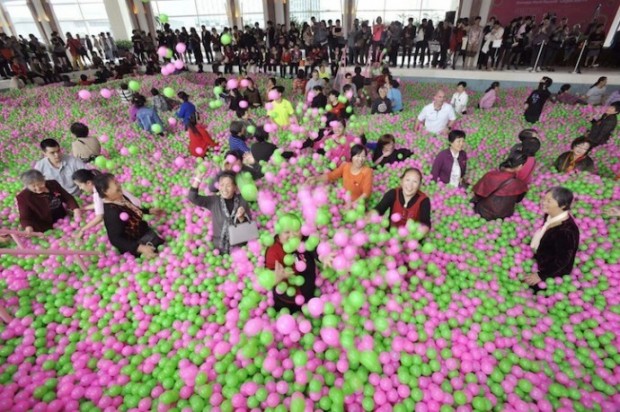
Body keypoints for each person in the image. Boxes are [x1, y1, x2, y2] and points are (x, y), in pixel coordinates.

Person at [94, 173, 164, 258]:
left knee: (161, 244)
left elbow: (131, 209)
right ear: (105, 191)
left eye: (117, 181)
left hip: (143, 231)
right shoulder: (112, 213)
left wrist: (148, 211)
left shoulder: (119, 197)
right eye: (115, 183)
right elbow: (115, 239)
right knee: (159, 252)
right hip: (135, 242)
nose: (119, 184)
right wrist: (140, 248)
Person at [524, 187, 579, 290]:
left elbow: (563, 260)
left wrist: (541, 275)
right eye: (544, 199)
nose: (543, 203)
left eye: (549, 201)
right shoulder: (550, 215)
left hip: (554, 269)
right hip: (543, 256)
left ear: (563, 206)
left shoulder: (566, 231)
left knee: (533, 287)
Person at [264, 213, 322, 313]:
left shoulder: (304, 240)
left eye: (296, 230)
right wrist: (276, 278)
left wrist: (323, 256)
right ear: (279, 233)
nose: (292, 235)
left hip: (308, 291)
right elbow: (269, 273)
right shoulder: (273, 250)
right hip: (286, 299)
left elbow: (315, 248)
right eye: (287, 232)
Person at [188, 170, 252, 254]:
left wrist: (241, 218)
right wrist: (198, 178)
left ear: (235, 188)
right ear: (218, 187)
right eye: (222, 185)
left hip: (239, 248)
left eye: (228, 185)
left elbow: (248, 227)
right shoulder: (214, 201)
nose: (224, 189)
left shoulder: (242, 200)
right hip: (220, 248)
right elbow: (193, 197)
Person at [72, 169, 141, 238]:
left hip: (135, 212)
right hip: (136, 204)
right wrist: (84, 208)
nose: (80, 188)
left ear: (88, 183)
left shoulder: (97, 193)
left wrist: (82, 230)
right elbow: (100, 204)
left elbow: (99, 217)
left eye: (80, 185)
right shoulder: (102, 183)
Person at [471, 151, 529, 220]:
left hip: (484, 212)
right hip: (504, 215)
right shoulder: (520, 184)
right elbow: (518, 200)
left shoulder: (490, 175)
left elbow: (478, 193)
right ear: (520, 166)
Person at [306, 144, 373, 203]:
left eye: (363, 156)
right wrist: (316, 178)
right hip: (344, 199)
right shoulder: (345, 166)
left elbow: (366, 193)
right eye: (358, 156)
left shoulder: (367, 171)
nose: (361, 159)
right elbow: (331, 175)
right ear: (352, 156)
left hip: (357, 203)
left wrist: (353, 204)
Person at [373, 168, 431, 235]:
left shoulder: (424, 200)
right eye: (407, 180)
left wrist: (419, 231)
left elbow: (425, 223)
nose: (410, 185)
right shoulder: (393, 193)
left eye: (415, 182)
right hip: (390, 234)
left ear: (419, 185)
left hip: (411, 237)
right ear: (401, 181)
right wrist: (369, 217)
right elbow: (379, 209)